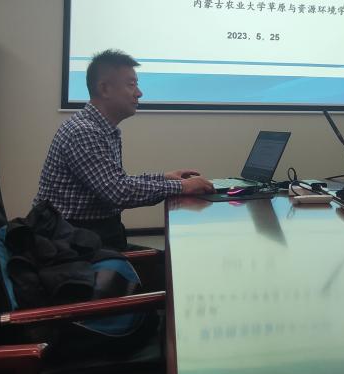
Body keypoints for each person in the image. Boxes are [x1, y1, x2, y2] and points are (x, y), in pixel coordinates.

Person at [33, 49, 214, 249]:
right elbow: (117, 192)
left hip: (88, 236)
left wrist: (165, 178)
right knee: (173, 261)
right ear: (105, 89)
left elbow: (116, 181)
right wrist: (182, 187)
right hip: (71, 245)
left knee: (170, 258)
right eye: (131, 84)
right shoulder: (84, 131)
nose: (139, 93)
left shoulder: (103, 129)